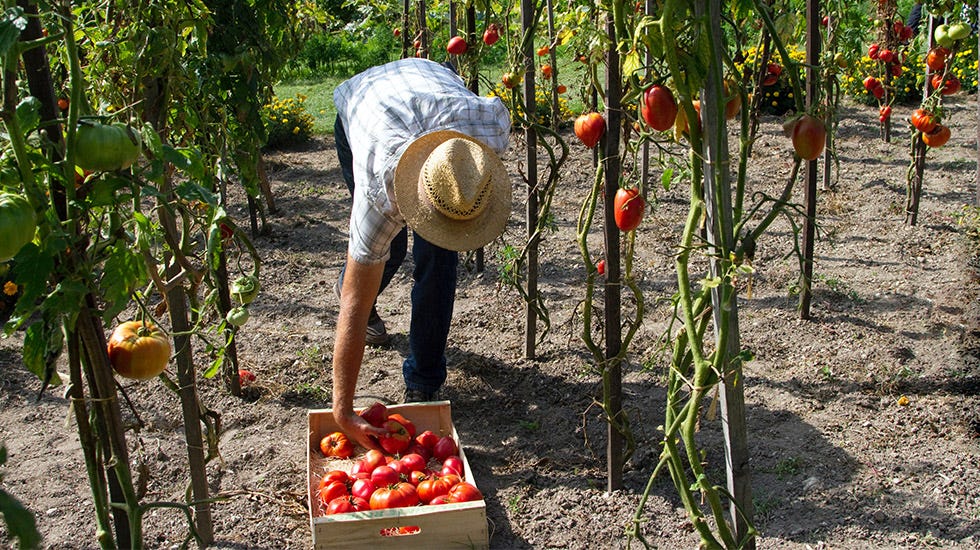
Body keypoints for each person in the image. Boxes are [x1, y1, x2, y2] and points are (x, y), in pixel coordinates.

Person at [330, 57, 512, 450]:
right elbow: (353, 306)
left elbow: (462, 184)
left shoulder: (482, 141)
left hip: (427, 80)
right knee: (385, 253)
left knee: (440, 260)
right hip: (364, 106)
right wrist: (342, 411)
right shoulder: (380, 194)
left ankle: (424, 381)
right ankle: (354, 276)